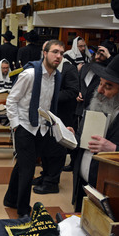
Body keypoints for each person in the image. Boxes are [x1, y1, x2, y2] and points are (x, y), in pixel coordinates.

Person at [68, 54, 119, 212]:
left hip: (113, 196)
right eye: (100, 83)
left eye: (108, 86)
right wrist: (71, 137)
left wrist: (115, 150)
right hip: (83, 187)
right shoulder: (97, 102)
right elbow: (84, 142)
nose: (99, 90)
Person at [3, 40, 64, 217]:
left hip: (41, 128)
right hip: (24, 126)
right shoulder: (29, 74)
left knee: (22, 165)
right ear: (44, 53)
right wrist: (15, 126)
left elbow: (47, 105)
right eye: (54, 52)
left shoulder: (56, 77)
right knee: (28, 169)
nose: (58, 56)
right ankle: (23, 210)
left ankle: (10, 199)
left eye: (61, 53)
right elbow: (11, 100)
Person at [32, 53, 79, 194]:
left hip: (62, 117)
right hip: (48, 117)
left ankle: (52, 182)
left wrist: (50, 96)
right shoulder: (46, 69)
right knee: (46, 148)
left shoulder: (68, 69)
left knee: (57, 151)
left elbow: (73, 91)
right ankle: (45, 175)